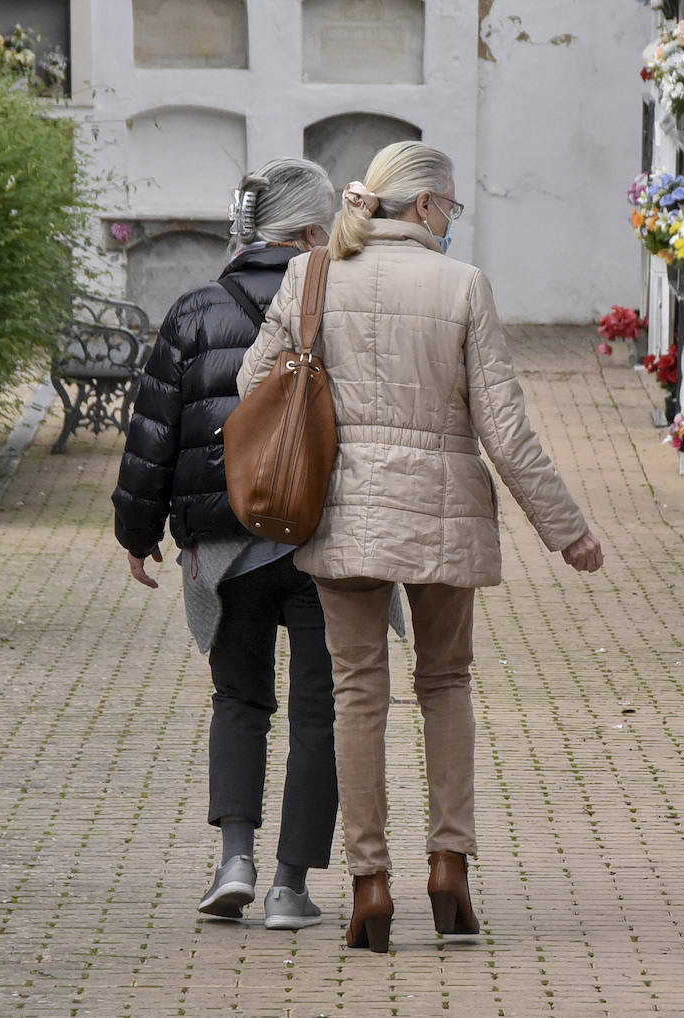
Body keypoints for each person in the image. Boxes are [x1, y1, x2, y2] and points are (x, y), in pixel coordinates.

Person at [237, 141, 604, 953]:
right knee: (444, 681)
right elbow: (504, 431)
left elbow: (251, 387)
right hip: (442, 512)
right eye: (453, 210)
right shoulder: (463, 285)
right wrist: (565, 529)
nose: (451, 223)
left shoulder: (313, 275)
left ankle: (369, 883)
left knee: (355, 691)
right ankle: (450, 867)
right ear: (430, 206)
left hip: (341, 510)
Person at [112, 157, 359, 931]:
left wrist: (137, 530)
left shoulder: (194, 310)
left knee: (240, 699)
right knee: (321, 713)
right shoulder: (344, 305)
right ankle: (290, 887)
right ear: (314, 231)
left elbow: (153, 429)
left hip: (226, 546)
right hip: (323, 541)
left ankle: (234, 862)